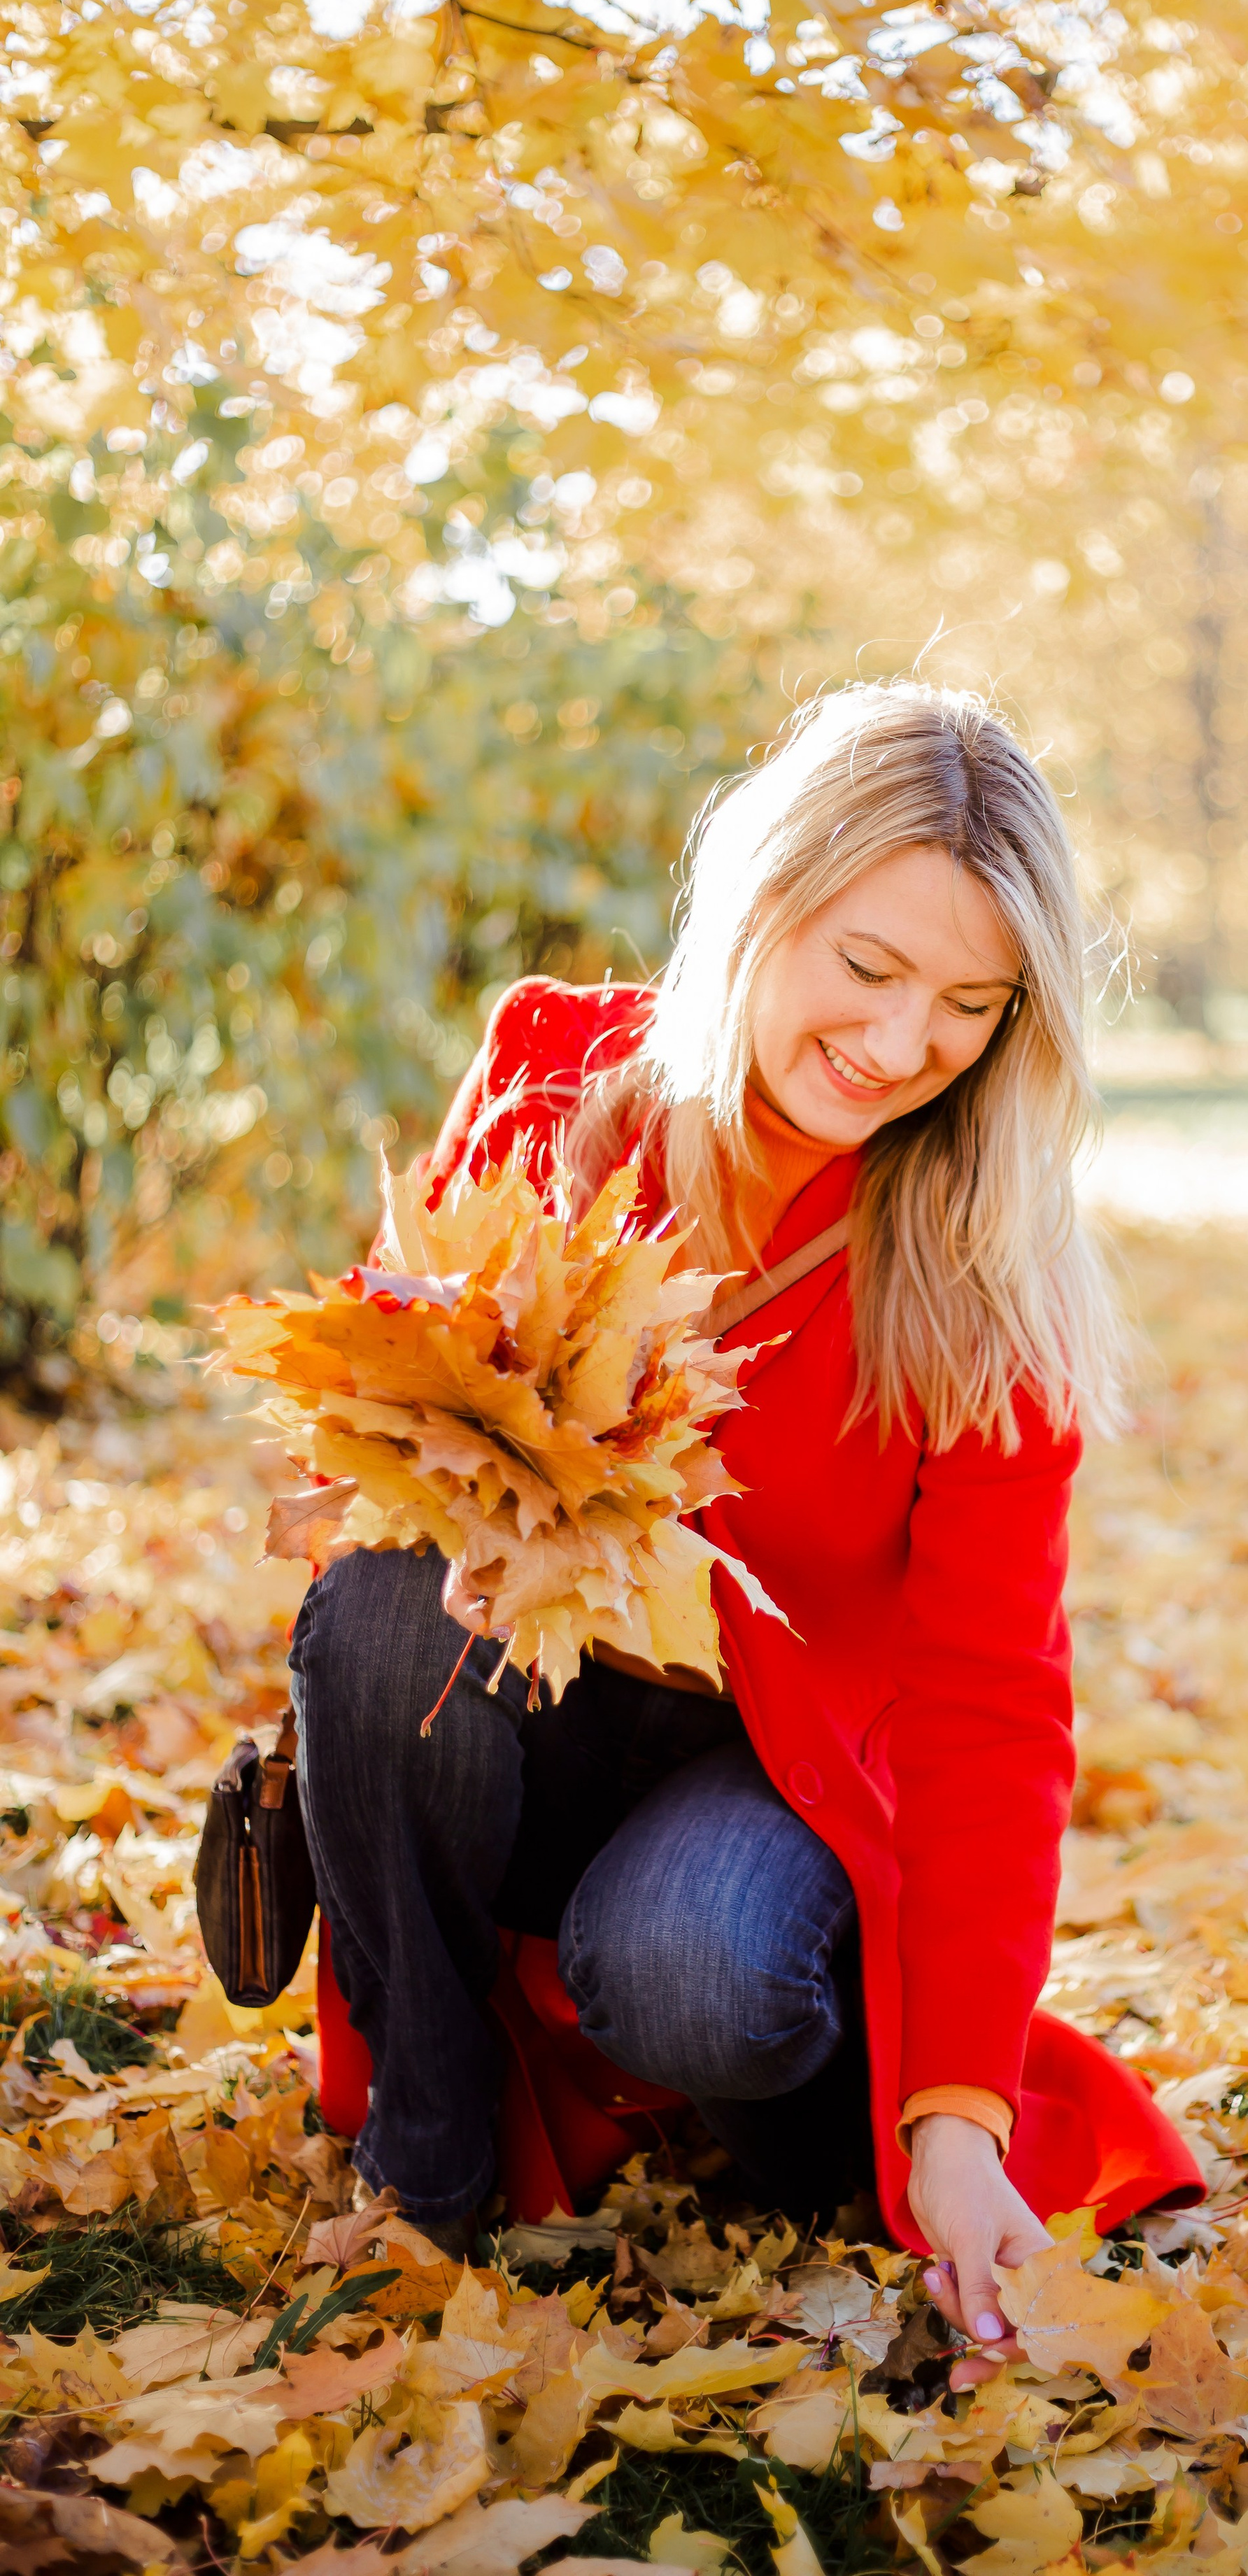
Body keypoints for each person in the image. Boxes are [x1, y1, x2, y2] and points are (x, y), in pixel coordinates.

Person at [290, 681, 1199, 2365]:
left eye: (969, 1004)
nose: (902, 1042)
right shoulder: (557, 1077)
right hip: (519, 1711)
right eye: (866, 967)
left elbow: (994, 1705)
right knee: (377, 1606)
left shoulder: (981, 1275)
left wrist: (956, 2121)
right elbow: (402, 1386)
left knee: (697, 1967)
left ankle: (792, 2100)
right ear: (765, 899)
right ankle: (422, 2149)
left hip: (773, 1772)